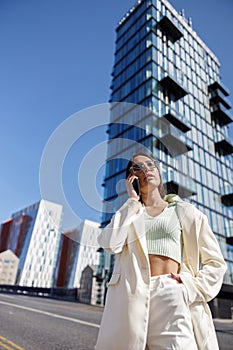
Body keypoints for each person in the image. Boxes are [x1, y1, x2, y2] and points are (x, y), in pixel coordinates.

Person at [95, 152, 227, 350]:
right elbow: (109, 243)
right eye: (138, 167)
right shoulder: (130, 213)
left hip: (172, 292)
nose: (146, 169)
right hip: (132, 296)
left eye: (150, 164)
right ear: (132, 178)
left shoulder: (185, 212)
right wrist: (132, 201)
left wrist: (190, 287)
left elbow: (216, 263)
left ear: (158, 171)